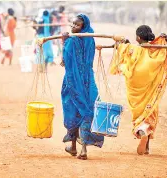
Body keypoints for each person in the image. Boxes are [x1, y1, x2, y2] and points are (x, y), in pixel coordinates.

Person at [109, 25, 167, 155]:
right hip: (150, 85)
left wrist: (120, 40)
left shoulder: (132, 49)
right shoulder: (155, 50)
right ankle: (147, 144)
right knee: (150, 109)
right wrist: (164, 39)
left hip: (135, 83)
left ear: (137, 37)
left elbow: (122, 46)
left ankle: (141, 130)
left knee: (139, 111)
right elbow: (165, 48)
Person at [60, 14, 104, 160]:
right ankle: (80, 148)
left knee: (73, 110)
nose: (73, 27)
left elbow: (66, 61)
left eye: (77, 25)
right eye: (72, 24)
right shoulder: (90, 39)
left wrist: (64, 42)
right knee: (87, 111)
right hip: (88, 82)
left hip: (73, 82)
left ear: (83, 27)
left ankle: (75, 147)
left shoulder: (71, 42)